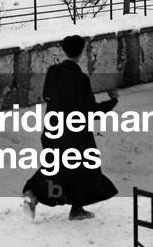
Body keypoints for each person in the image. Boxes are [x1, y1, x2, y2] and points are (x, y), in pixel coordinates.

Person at [22, 35, 119, 222]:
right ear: (81, 52)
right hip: (76, 135)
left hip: (53, 128)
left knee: (57, 167)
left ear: (64, 50)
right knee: (84, 169)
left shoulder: (52, 72)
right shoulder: (81, 79)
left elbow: (47, 96)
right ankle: (76, 208)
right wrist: (112, 101)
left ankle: (33, 194)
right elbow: (91, 111)